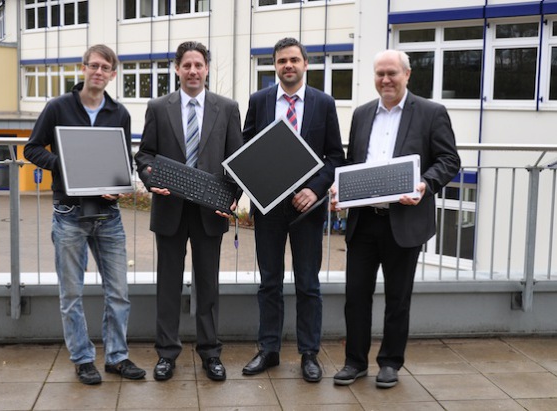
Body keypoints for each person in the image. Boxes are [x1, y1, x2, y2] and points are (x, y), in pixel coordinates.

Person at [332, 49, 460, 388]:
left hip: (404, 221)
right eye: (380, 74)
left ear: (407, 75)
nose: (385, 80)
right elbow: (352, 162)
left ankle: (390, 362)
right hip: (364, 221)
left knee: (397, 298)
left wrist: (425, 184)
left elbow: (449, 160)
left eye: (392, 73)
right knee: (355, 295)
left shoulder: (432, 113)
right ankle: (354, 362)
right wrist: (339, 189)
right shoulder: (361, 114)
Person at [24, 44, 145, 385]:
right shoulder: (58, 107)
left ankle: (117, 358)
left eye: (105, 67)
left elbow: (120, 159)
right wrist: (66, 167)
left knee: (119, 292)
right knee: (72, 294)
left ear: (112, 74)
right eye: (93, 65)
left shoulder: (119, 113)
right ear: (83, 68)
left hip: (108, 215)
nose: (98, 72)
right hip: (69, 215)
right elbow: (32, 148)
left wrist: (120, 183)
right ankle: (82, 359)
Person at [135, 41, 243, 382]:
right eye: (187, 65)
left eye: (199, 65)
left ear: (207, 69)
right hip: (170, 209)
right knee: (167, 285)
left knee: (208, 285)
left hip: (210, 212)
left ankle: (210, 353)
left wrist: (233, 197)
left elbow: (236, 160)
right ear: (177, 69)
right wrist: (150, 178)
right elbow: (145, 155)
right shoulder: (157, 107)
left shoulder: (227, 108)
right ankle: (167, 354)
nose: (193, 71)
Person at [241, 37, 345, 383]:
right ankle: (268, 350)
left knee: (308, 284)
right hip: (267, 208)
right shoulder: (258, 101)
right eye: (282, 60)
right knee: (269, 282)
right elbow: (246, 149)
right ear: (275, 66)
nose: (288, 65)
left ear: (305, 64)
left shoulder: (323, 103)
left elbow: (334, 157)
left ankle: (309, 354)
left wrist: (315, 190)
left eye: (294, 60)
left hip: (307, 210)